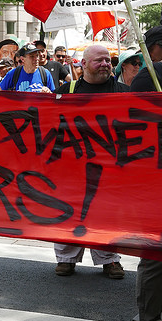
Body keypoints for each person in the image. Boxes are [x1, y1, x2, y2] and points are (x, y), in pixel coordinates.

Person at [53, 45, 129, 279]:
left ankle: (110, 259)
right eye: (99, 60)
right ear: (83, 64)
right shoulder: (67, 91)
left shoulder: (124, 91)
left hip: (110, 164)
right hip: (72, 165)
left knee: (106, 212)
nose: (106, 64)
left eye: (108, 60)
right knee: (70, 210)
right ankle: (66, 259)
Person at [130, 26, 162, 321]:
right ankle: (148, 318)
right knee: (156, 253)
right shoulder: (148, 78)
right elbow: (134, 127)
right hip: (157, 179)